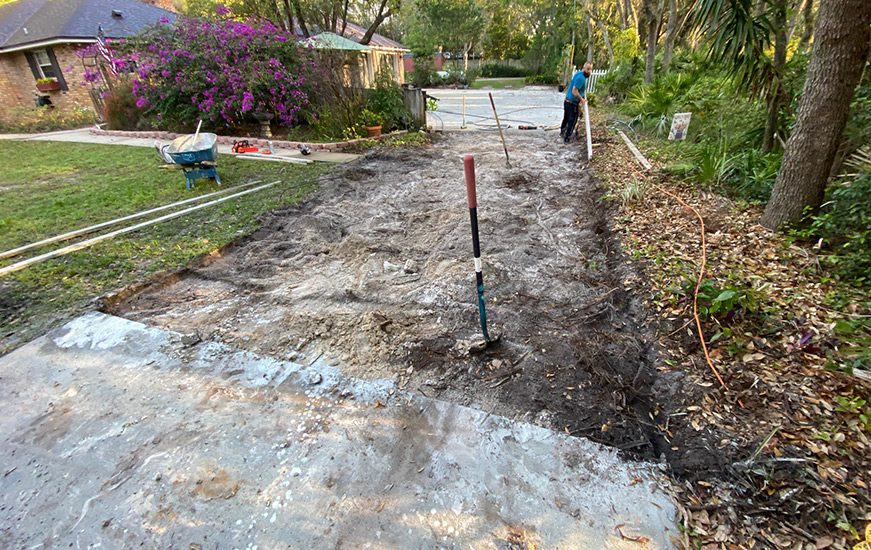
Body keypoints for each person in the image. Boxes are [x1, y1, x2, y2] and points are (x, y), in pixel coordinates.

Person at [560, 62, 592, 144]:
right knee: (572, 121)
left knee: (566, 118)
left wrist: (579, 109)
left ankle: (562, 133)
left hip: (567, 101)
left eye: (591, 69)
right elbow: (574, 91)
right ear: (584, 68)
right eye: (588, 69)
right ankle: (567, 139)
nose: (589, 71)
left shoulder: (579, 74)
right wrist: (582, 100)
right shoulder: (581, 78)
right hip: (571, 103)